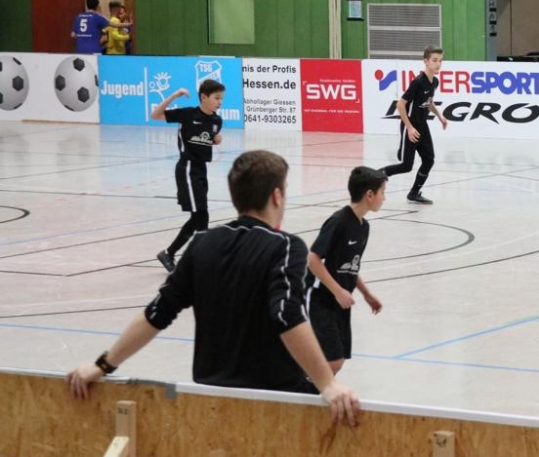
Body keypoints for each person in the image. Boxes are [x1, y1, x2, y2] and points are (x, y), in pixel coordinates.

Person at [66, 150, 360, 426]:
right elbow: (286, 314)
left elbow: (157, 312)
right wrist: (327, 383)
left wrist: (103, 365)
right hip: (273, 400)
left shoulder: (202, 243)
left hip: (209, 400)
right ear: (277, 195)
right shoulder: (285, 246)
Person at [307, 166, 387, 375]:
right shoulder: (339, 222)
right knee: (332, 360)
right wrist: (338, 291)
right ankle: (299, 387)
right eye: (383, 192)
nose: (384, 198)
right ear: (369, 195)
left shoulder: (363, 227)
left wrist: (367, 294)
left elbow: (350, 265)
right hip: (320, 298)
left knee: (338, 359)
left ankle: (311, 388)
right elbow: (313, 259)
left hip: (340, 301)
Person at [153, 80, 226, 272]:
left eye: (221, 98)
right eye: (216, 98)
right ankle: (204, 261)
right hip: (187, 169)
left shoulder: (217, 121)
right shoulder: (187, 114)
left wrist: (215, 140)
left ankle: (169, 253)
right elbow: (155, 115)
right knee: (202, 216)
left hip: (201, 170)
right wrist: (175, 95)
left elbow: (205, 140)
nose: (220, 102)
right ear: (204, 97)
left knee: (197, 217)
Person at [380, 45, 448, 204]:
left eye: (440, 61)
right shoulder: (418, 82)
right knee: (406, 165)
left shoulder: (434, 81)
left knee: (429, 160)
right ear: (426, 61)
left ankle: (414, 193)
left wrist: (440, 116)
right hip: (410, 126)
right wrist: (409, 128)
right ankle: (375, 176)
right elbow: (400, 104)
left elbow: (429, 102)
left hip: (423, 125)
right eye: (434, 60)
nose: (438, 64)